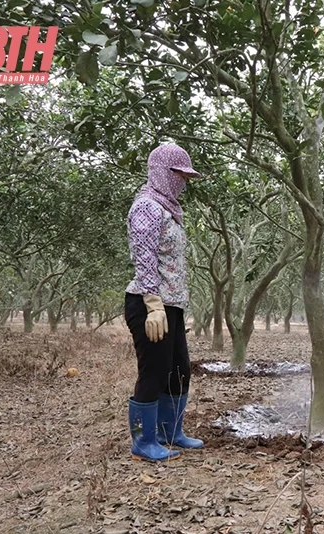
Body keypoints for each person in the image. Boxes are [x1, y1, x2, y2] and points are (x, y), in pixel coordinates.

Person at [124, 143, 205, 461]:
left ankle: (170, 433)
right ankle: (144, 442)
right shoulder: (147, 207)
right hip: (149, 304)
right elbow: (144, 257)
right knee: (154, 372)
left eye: (185, 177)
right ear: (161, 172)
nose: (183, 182)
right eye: (178, 175)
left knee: (179, 371)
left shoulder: (169, 209)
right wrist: (153, 304)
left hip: (171, 305)